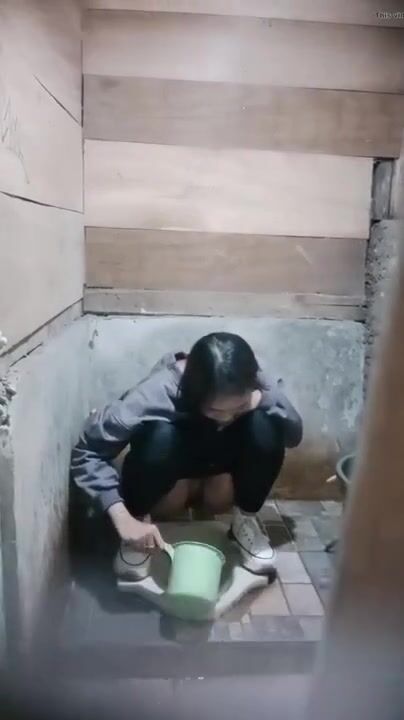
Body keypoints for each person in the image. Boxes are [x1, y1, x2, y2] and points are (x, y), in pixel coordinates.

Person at [71, 332, 302, 578]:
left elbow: (293, 436)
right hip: (172, 466)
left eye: (239, 408)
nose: (226, 418)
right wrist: (122, 518)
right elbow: (88, 451)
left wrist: (266, 399)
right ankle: (139, 528)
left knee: (265, 427)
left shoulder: (257, 378)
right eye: (216, 410)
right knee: (160, 437)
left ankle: (244, 521)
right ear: (193, 393)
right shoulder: (156, 392)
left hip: (223, 473)